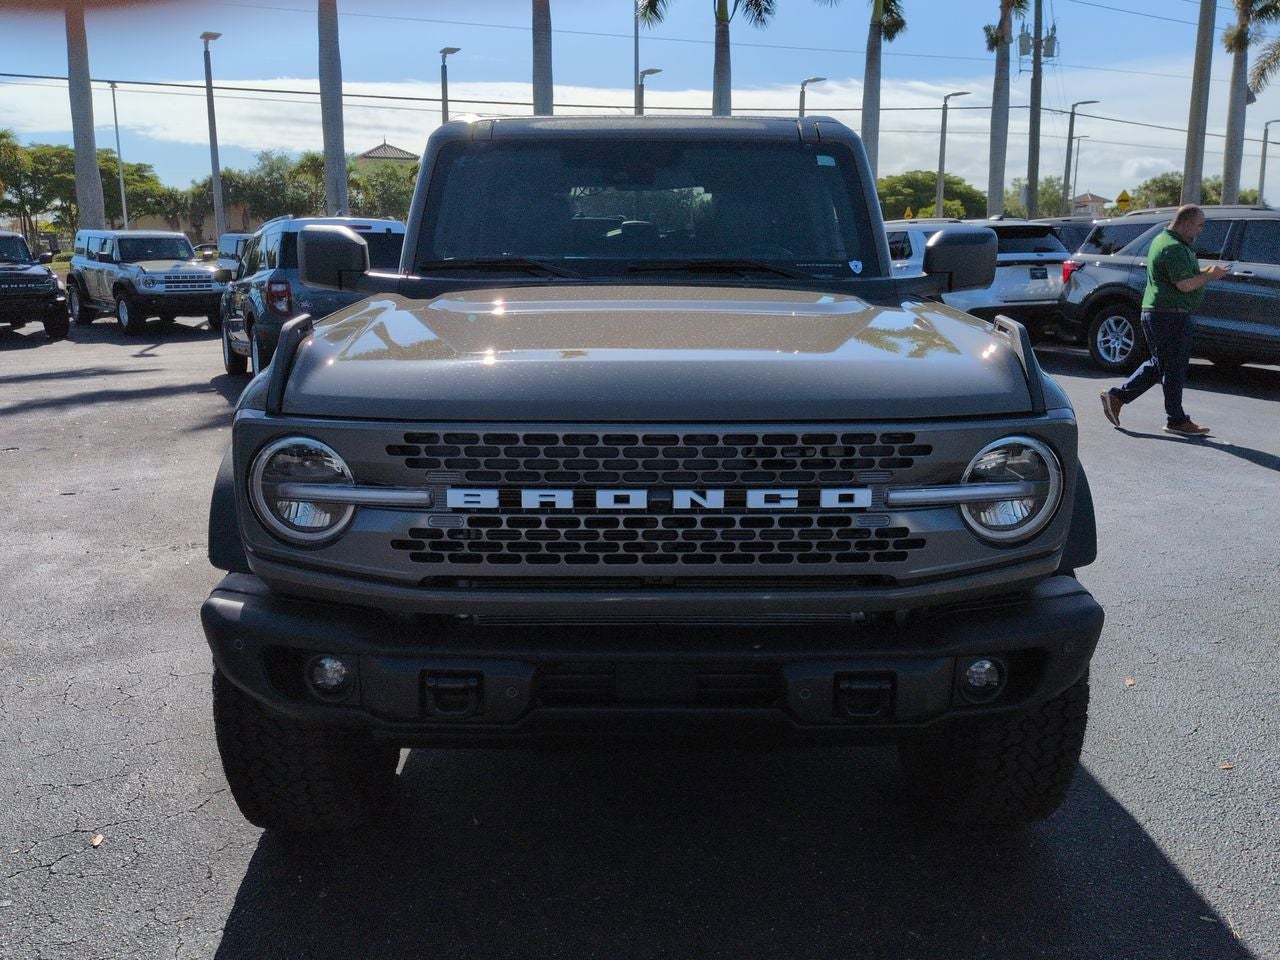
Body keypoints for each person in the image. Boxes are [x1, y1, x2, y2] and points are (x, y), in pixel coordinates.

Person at [1099, 204, 1230, 437]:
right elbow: (1184, 284)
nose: (1200, 230)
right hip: (1168, 314)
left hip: (1166, 313)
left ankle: (1122, 398)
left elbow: (1184, 277)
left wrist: (1205, 271)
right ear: (1186, 223)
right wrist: (1210, 275)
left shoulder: (1169, 242)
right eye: (1199, 225)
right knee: (1171, 367)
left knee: (1163, 364)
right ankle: (1173, 419)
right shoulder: (1172, 247)